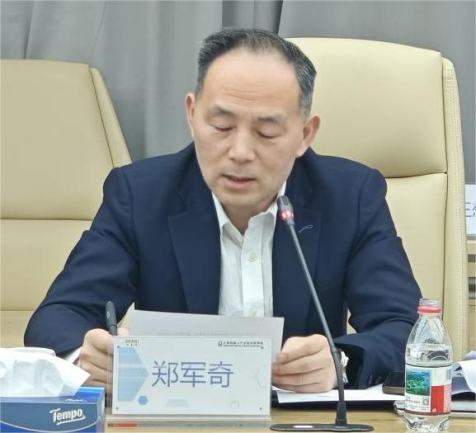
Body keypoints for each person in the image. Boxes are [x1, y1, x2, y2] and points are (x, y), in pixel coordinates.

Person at [25, 28, 421, 393]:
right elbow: (58, 316)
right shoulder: (140, 195)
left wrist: (340, 362)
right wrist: (86, 357)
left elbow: (405, 327)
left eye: (266, 131)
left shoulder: (350, 196)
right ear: (192, 115)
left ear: (304, 134)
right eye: (221, 126)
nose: (240, 152)